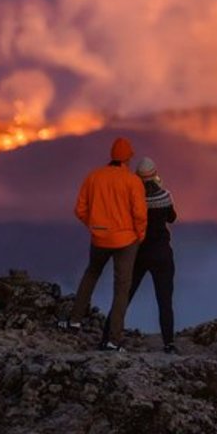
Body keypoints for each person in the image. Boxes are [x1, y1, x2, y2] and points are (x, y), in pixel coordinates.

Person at [60, 136, 147, 351]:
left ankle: (75, 320)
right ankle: (113, 340)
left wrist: (95, 225)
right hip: (126, 240)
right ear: (127, 158)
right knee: (121, 289)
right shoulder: (132, 181)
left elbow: (80, 209)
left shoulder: (94, 177)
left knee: (91, 274)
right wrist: (140, 235)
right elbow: (139, 213)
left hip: (99, 238)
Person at [103, 156, 179, 353]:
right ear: (154, 175)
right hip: (162, 254)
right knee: (165, 300)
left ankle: (107, 337)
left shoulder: (132, 198)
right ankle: (169, 344)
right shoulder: (163, 196)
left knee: (124, 296)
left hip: (138, 253)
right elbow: (172, 217)